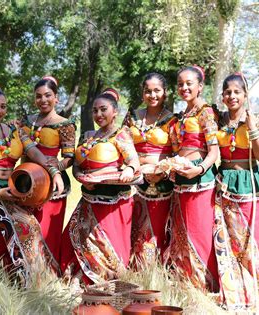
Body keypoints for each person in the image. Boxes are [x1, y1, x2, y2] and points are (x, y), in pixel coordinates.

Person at [0, 85, 61, 286]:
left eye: (3, 106)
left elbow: (34, 152)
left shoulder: (14, 130)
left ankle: (16, 282)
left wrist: (54, 172)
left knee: (27, 230)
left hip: (12, 190)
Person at [60, 88, 140, 284]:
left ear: (115, 112)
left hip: (113, 201)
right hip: (89, 198)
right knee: (79, 238)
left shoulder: (121, 134)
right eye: (95, 111)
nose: (98, 115)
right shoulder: (89, 135)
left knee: (108, 244)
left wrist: (129, 170)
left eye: (103, 110)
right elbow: (78, 165)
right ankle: (81, 278)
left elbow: (133, 161)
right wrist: (79, 176)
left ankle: (108, 281)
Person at [165, 65, 219, 291]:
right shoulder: (180, 116)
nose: (184, 87)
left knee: (199, 230)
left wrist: (200, 169)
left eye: (189, 83)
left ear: (200, 86)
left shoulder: (206, 112)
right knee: (182, 230)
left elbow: (213, 150)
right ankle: (184, 281)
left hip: (200, 178)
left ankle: (203, 285)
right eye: (180, 84)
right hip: (181, 178)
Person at [214, 73, 259, 310]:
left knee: (248, 239)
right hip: (223, 184)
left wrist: (252, 129)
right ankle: (232, 293)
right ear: (222, 96)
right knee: (225, 241)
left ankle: (254, 291)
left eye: (237, 92)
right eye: (227, 92)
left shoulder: (255, 120)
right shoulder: (218, 120)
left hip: (248, 184)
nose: (232, 96)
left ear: (245, 95)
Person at [20, 75, 75, 263]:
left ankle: (48, 274)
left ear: (56, 98)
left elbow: (69, 157)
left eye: (48, 95)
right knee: (26, 227)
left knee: (47, 230)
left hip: (53, 185)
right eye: (38, 96)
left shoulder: (64, 124)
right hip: (26, 182)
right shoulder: (26, 121)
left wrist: (54, 168)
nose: (43, 100)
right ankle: (26, 272)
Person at [123, 73, 176, 265]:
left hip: (161, 181)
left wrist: (163, 169)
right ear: (142, 93)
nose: (152, 95)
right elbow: (121, 143)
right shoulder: (133, 116)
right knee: (134, 225)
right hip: (135, 181)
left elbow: (178, 151)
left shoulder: (173, 120)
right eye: (148, 91)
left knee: (158, 226)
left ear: (165, 93)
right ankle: (134, 267)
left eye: (157, 90)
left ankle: (157, 270)